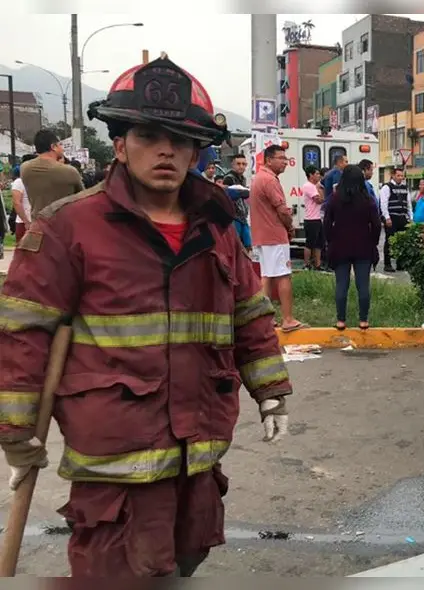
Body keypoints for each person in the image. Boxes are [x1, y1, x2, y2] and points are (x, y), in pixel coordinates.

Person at [0, 55, 292, 577]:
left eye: (181, 140)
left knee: (184, 564)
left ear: (196, 152)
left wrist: (271, 391)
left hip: (197, 455)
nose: (166, 150)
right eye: (150, 135)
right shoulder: (68, 229)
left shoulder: (217, 228)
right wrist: (16, 429)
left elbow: (250, 314)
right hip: (116, 463)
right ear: (119, 144)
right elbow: (24, 334)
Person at [250, 144, 308, 332]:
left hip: (262, 235)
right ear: (269, 160)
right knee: (284, 276)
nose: (285, 162)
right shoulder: (269, 180)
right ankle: (288, 319)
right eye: (281, 158)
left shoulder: (259, 178)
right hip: (274, 235)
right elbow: (282, 210)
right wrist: (290, 226)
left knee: (267, 277)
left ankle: (264, 319)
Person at [323, 165, 381, 331]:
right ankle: (363, 320)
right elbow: (376, 224)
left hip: (340, 247)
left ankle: (341, 320)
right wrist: (373, 241)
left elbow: (326, 223)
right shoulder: (367, 200)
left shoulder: (334, 199)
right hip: (363, 247)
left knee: (342, 284)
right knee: (363, 285)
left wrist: (330, 240)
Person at [20, 128, 85, 213]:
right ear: (53, 147)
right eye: (60, 145)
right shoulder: (70, 171)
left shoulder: (25, 168)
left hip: (38, 223)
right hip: (62, 224)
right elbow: (83, 198)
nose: (62, 149)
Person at [379, 167, 412, 272]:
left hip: (402, 217)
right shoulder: (387, 187)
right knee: (390, 241)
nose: (400, 178)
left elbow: (409, 204)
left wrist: (410, 217)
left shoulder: (404, 187)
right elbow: (383, 204)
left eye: (402, 176)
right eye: (398, 175)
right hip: (392, 217)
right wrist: (387, 218)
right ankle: (387, 264)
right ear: (392, 175)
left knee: (402, 241)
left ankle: (400, 264)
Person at [301, 165, 325, 270]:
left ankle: (317, 264)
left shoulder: (314, 186)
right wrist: (320, 189)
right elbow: (319, 200)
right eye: (317, 174)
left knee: (319, 243)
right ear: (310, 175)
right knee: (310, 243)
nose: (319, 176)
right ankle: (306, 264)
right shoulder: (309, 186)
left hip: (318, 218)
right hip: (311, 219)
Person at [10, 154, 37, 243]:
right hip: (24, 224)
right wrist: (26, 222)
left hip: (38, 223)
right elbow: (17, 203)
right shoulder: (19, 182)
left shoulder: (38, 181)